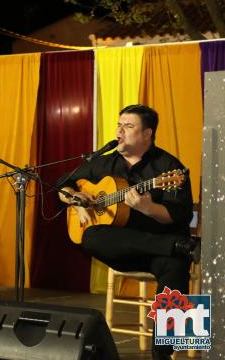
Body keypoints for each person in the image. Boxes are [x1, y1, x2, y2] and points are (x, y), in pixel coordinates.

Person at [58, 104, 199, 360]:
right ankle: (178, 247)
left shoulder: (170, 169)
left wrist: (149, 208)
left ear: (147, 134)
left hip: (159, 249)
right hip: (124, 249)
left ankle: (164, 353)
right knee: (90, 236)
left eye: (128, 126)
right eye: (119, 125)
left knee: (176, 267)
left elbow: (180, 215)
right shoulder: (103, 162)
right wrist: (76, 199)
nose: (119, 131)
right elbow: (62, 185)